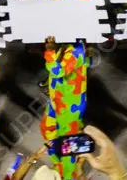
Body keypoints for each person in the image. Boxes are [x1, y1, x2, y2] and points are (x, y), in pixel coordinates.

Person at [41, 37, 88, 178]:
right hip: (57, 100)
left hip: (69, 106)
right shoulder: (66, 45)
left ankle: (69, 175)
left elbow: (58, 71)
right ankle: (59, 165)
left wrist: (49, 52)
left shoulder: (75, 51)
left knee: (68, 144)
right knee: (47, 128)